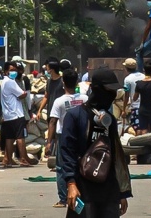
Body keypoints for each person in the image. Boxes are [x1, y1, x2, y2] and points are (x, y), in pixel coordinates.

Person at [60, 67, 132, 217]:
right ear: (96, 89)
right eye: (108, 91)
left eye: (114, 91)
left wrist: (122, 192)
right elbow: (67, 152)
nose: (111, 95)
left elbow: (116, 156)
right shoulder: (75, 116)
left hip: (109, 190)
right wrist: (71, 184)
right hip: (83, 188)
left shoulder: (109, 120)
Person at [46, 69, 89, 208]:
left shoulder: (59, 101)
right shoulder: (84, 99)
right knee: (83, 164)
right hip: (83, 135)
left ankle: (64, 198)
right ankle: (84, 193)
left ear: (63, 83)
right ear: (77, 81)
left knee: (61, 166)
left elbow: (53, 121)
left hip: (64, 136)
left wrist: (49, 142)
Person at [0, 61, 33, 167]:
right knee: (20, 137)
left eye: (15, 70)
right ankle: (23, 159)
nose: (14, 72)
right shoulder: (11, 82)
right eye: (11, 70)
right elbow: (22, 94)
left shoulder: (4, 82)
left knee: (9, 138)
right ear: (6, 72)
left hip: (8, 115)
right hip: (17, 114)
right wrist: (22, 94)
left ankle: (8, 160)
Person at [133, 61, 151, 135]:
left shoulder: (139, 84)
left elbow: (134, 98)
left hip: (142, 110)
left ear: (144, 70)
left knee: (144, 130)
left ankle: (145, 145)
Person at [35, 58, 64, 122]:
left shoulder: (63, 81)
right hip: (51, 112)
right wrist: (40, 110)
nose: (46, 68)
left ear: (52, 69)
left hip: (61, 113)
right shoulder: (49, 81)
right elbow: (46, 96)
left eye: (47, 66)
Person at [122, 58, 145, 133]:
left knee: (137, 129)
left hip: (135, 107)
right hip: (145, 106)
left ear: (126, 68)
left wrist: (123, 109)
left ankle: (140, 144)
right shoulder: (143, 76)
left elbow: (126, 96)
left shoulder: (127, 80)